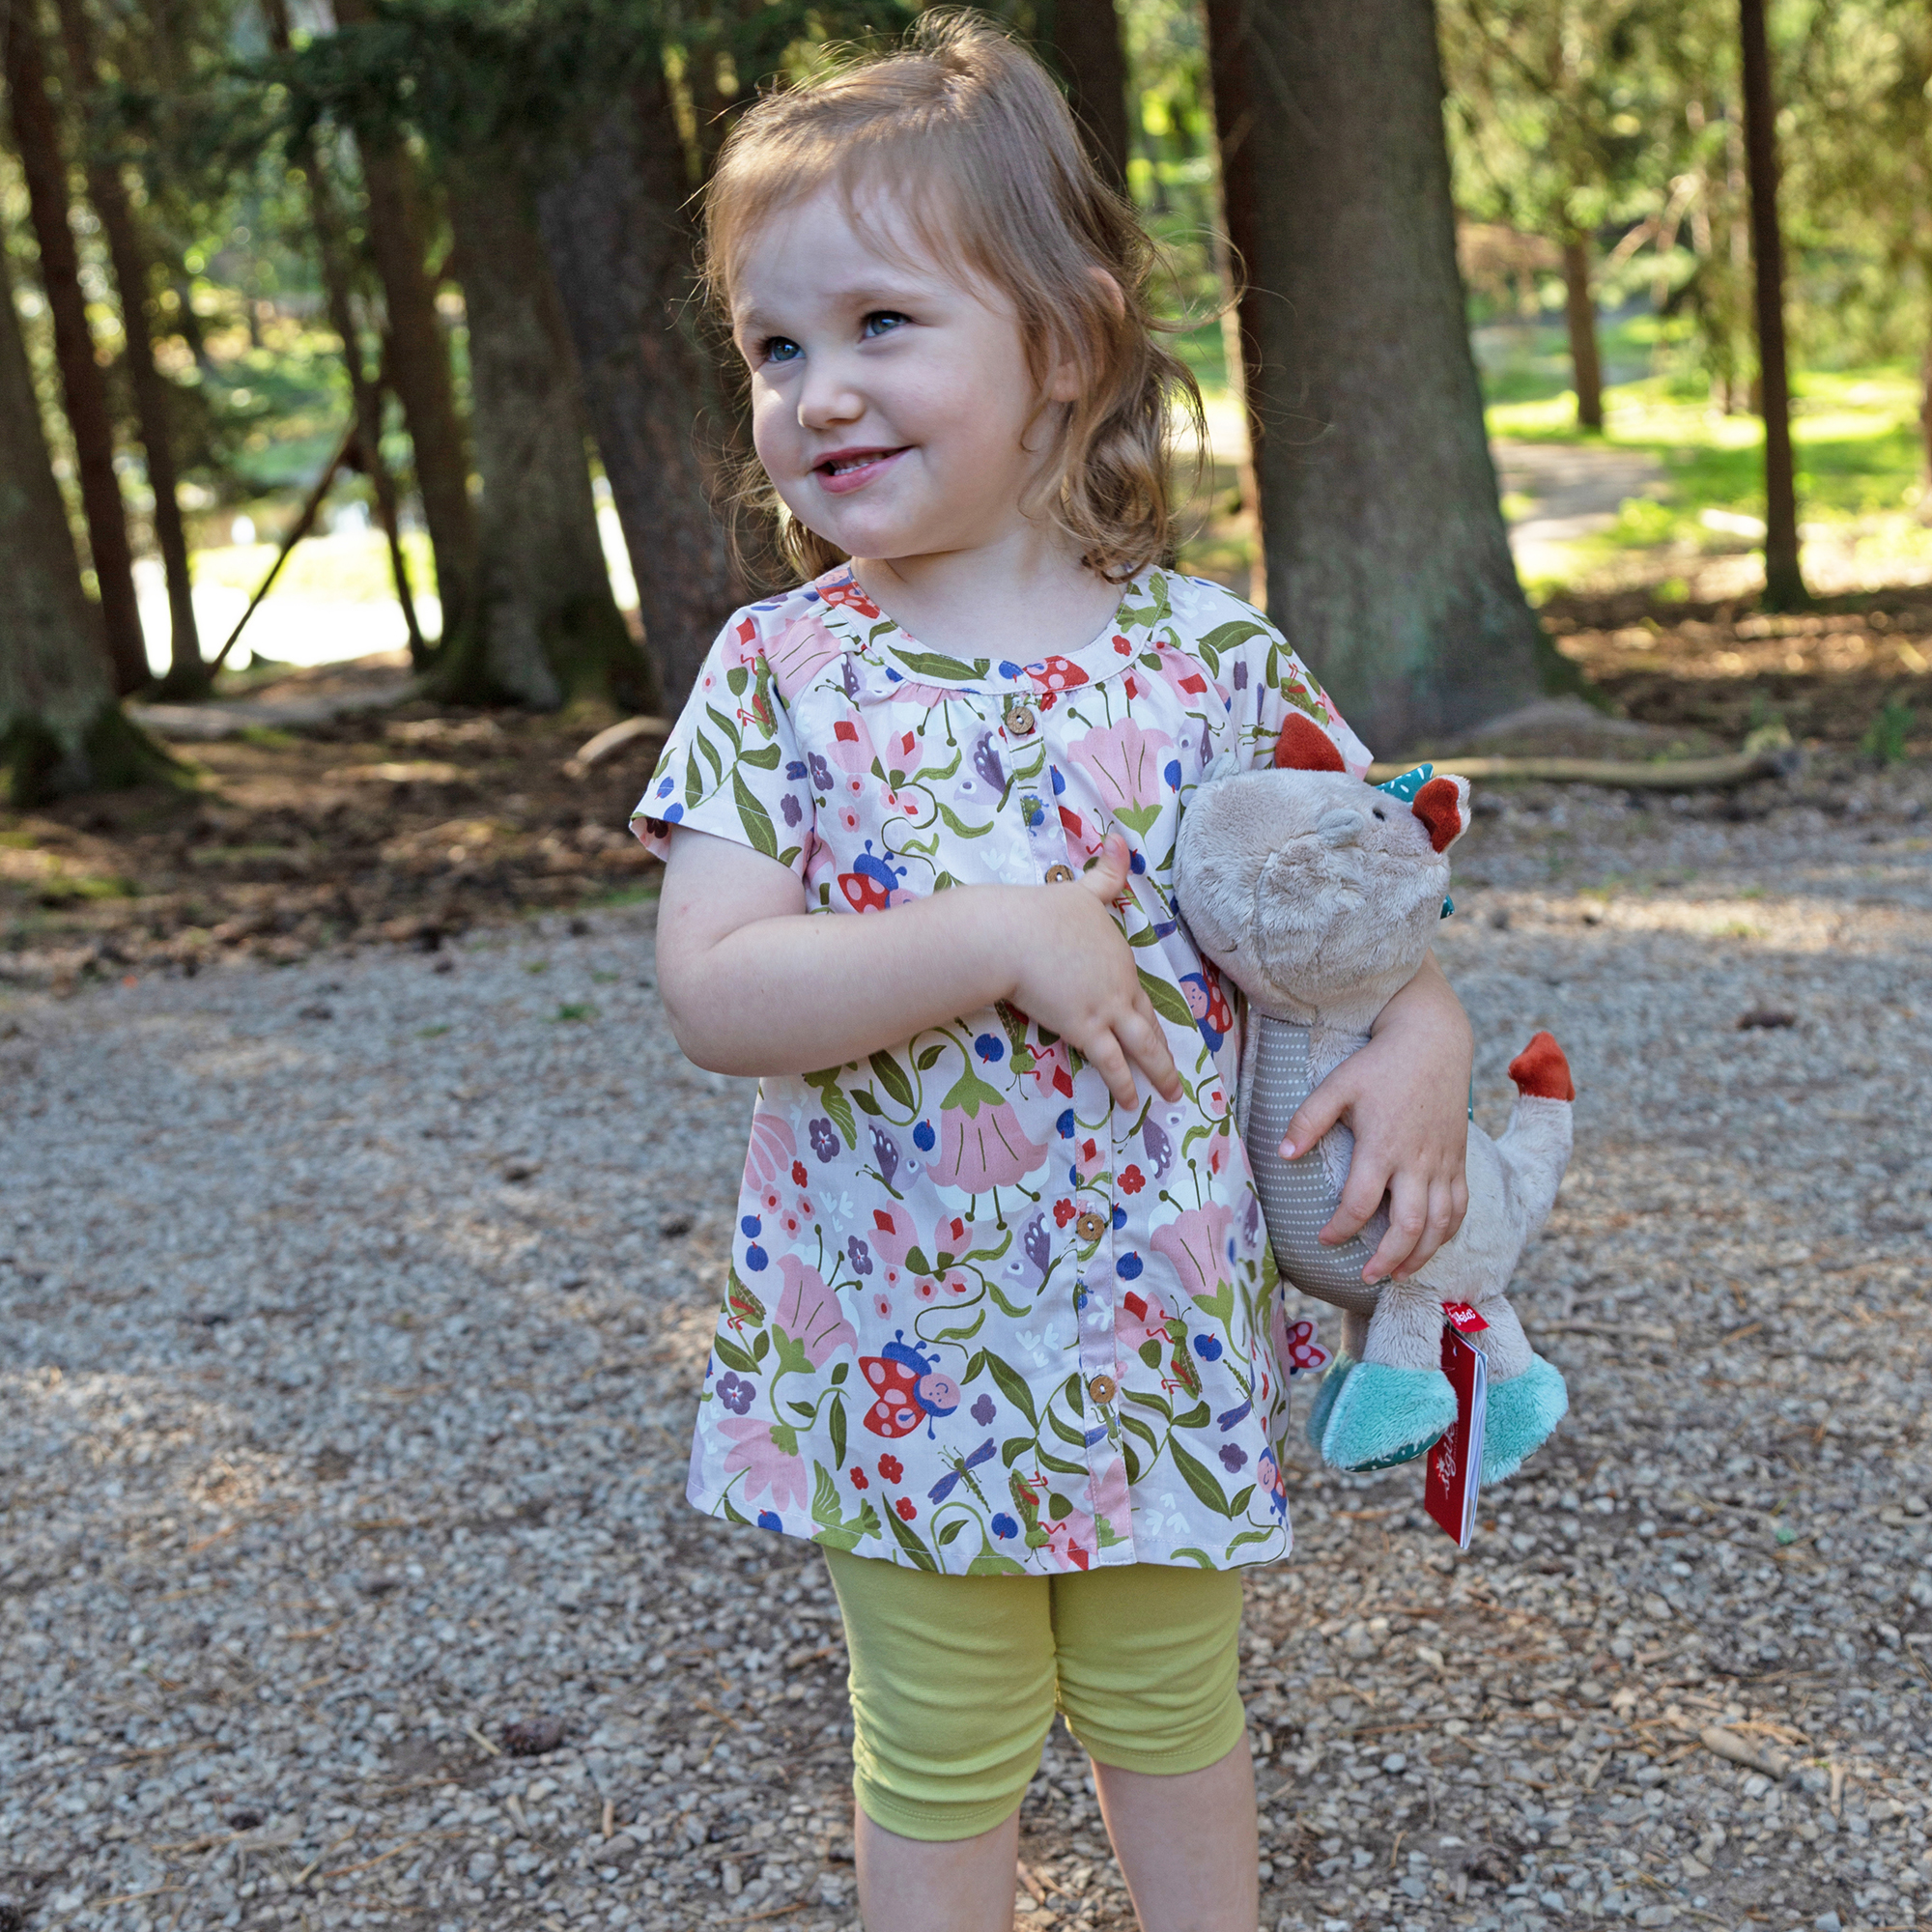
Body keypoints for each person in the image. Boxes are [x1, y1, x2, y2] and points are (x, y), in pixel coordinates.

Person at [637, 15, 1474, 1929]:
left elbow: (1359, 925)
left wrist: (1423, 1039)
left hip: (1152, 1330)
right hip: (895, 1347)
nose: (817, 390)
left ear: (1065, 342)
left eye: (879, 326)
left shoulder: (1211, 660)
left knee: (1173, 1710)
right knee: (937, 1743)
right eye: (777, 347)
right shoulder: (783, 674)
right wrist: (997, 930)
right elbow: (715, 986)